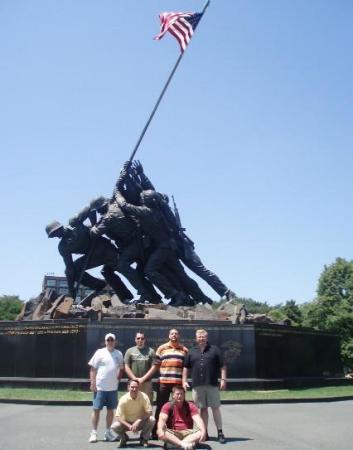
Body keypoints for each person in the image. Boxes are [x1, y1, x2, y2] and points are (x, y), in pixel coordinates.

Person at [45, 220, 133, 301]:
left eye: (56, 233)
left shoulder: (77, 226)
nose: (56, 236)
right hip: (93, 257)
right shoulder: (63, 247)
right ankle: (98, 284)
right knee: (74, 270)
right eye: (54, 235)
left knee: (120, 270)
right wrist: (71, 290)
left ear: (60, 227)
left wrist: (94, 223)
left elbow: (91, 211)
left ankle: (136, 293)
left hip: (106, 250)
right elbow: (70, 268)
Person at [182, 329, 227, 443]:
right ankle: (204, 432)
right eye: (199, 337)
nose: (201, 339)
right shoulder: (191, 351)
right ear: (196, 338)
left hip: (212, 384)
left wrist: (223, 379)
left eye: (203, 337)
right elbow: (186, 367)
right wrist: (184, 380)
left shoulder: (215, 350)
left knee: (215, 408)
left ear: (207, 338)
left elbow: (222, 366)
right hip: (197, 385)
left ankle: (220, 432)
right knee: (202, 409)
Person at [88, 333, 124, 443]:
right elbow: (93, 369)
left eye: (112, 340)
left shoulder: (118, 353)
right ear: (105, 341)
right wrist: (93, 383)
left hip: (113, 388)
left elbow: (121, 368)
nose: (110, 342)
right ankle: (94, 433)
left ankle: (108, 433)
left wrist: (118, 379)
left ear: (115, 341)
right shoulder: (99, 352)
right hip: (100, 387)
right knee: (96, 409)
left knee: (110, 410)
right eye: (108, 340)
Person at [152, 329, 188, 438]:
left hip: (177, 384)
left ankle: (175, 431)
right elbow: (155, 364)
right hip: (163, 382)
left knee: (177, 408)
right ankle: (156, 431)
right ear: (169, 335)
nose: (174, 335)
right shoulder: (161, 348)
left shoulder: (184, 350)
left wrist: (184, 381)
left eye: (176, 333)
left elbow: (187, 367)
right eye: (172, 333)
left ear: (179, 336)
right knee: (161, 407)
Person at [157, 385, 206, 450]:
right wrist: (160, 429)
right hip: (173, 433)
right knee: (160, 431)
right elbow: (162, 420)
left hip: (188, 433)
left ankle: (176, 445)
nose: (180, 396)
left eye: (182, 394)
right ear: (173, 395)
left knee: (201, 432)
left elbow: (198, 419)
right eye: (177, 394)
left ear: (184, 395)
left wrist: (203, 431)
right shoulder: (167, 406)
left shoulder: (191, 406)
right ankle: (184, 445)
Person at [111, 379, 155, 448]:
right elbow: (118, 417)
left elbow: (149, 412)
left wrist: (138, 420)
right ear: (128, 387)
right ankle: (123, 438)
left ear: (139, 388)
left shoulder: (144, 396)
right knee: (114, 426)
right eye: (132, 387)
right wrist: (129, 426)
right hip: (127, 423)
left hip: (140, 423)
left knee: (152, 419)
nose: (134, 389)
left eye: (136, 387)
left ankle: (144, 439)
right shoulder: (123, 399)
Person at [124, 331, 156, 402]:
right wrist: (135, 379)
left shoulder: (151, 351)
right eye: (138, 338)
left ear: (145, 340)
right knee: (131, 404)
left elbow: (154, 367)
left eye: (142, 338)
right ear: (135, 339)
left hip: (146, 383)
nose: (140, 340)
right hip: (133, 383)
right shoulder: (129, 351)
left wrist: (143, 379)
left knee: (147, 405)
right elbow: (126, 366)